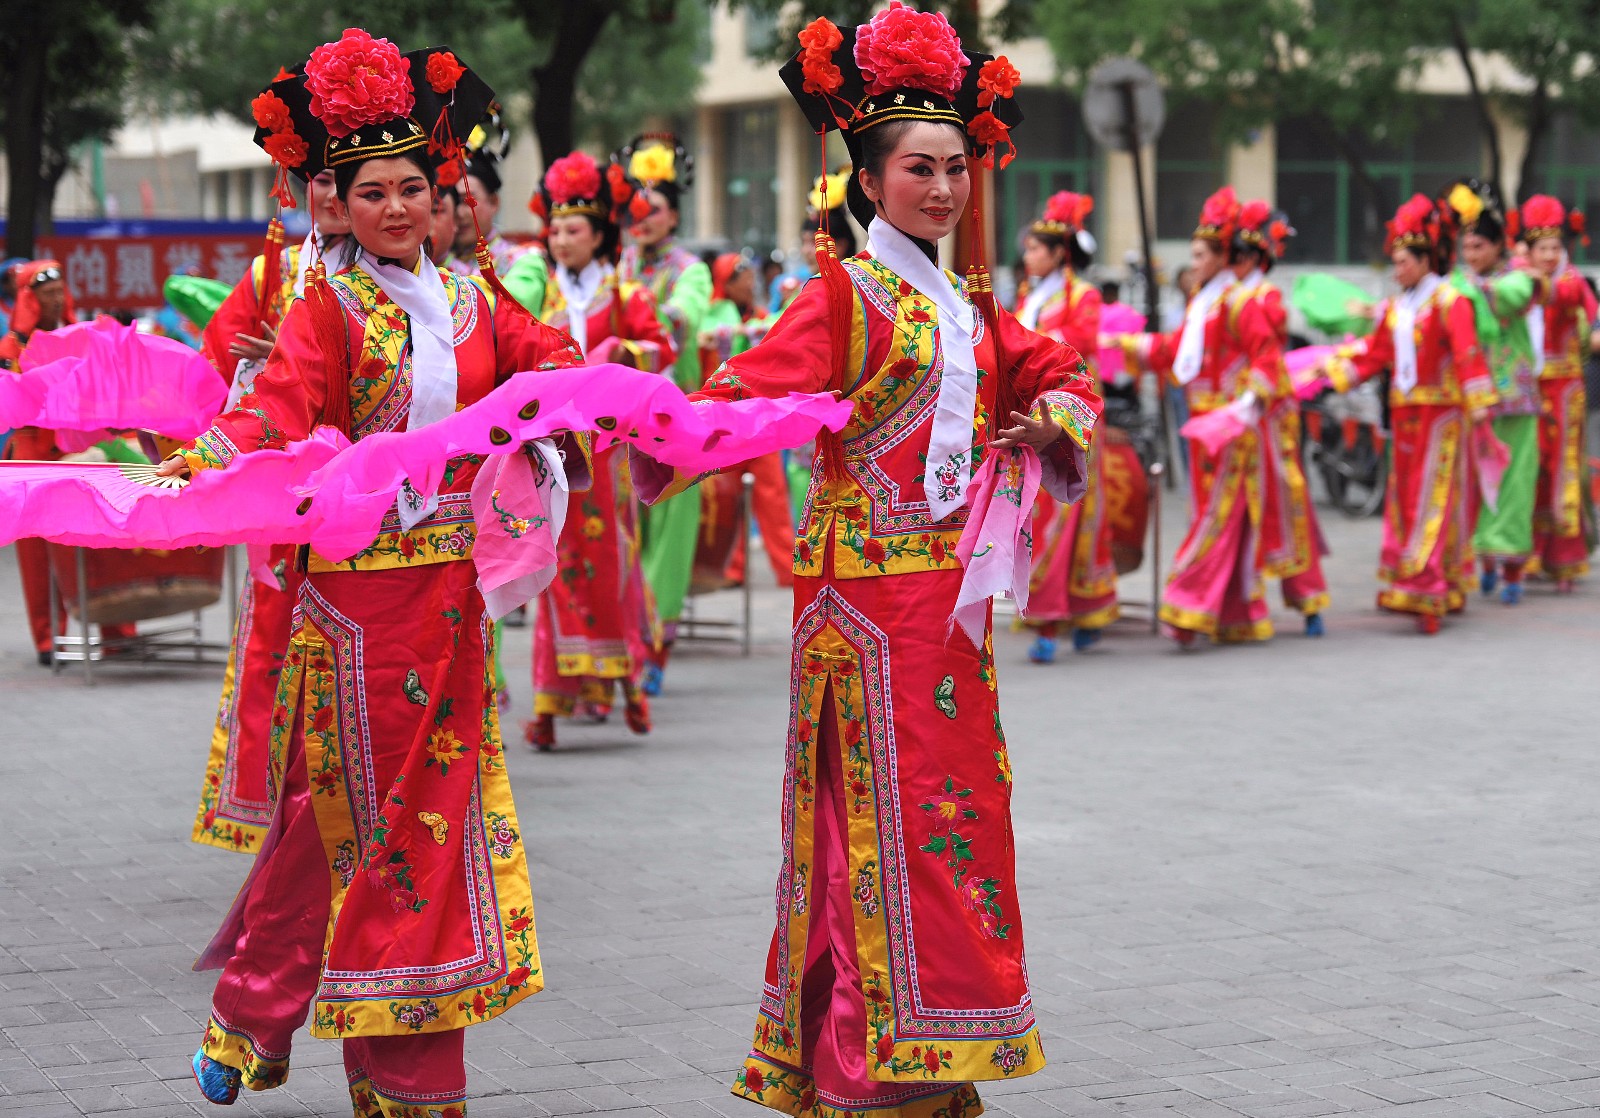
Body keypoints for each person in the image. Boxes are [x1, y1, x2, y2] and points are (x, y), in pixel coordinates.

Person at [631, 7, 1101, 1114]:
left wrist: (1051, 424)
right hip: (860, 620)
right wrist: (633, 427)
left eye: (955, 168)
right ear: (870, 178)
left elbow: (1063, 372)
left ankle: (934, 1061)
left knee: (955, 827)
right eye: (917, 169)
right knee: (868, 837)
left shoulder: (971, 306)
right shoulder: (843, 295)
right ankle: (864, 1069)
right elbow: (741, 397)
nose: (941, 189)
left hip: (949, 616)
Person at [155, 35, 584, 1115]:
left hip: (446, 610)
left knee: (429, 847)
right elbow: (273, 407)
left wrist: (595, 407)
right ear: (336, 203)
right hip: (347, 616)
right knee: (326, 833)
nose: (399, 207)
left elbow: (558, 370)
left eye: (413, 187)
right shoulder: (330, 310)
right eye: (374, 192)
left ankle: (406, 1073)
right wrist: (207, 460)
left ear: (440, 193)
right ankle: (256, 1005)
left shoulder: (483, 308)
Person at [191, 165, 354, 853]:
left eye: (349, 180)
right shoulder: (276, 273)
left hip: (364, 506)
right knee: (273, 651)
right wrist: (261, 370)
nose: (332, 196)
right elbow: (212, 366)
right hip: (285, 502)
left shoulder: (419, 280)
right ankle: (274, 822)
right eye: (319, 178)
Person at [525, 150, 670, 751]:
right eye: (554, 229)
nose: (561, 240)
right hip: (553, 448)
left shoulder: (625, 292)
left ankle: (622, 682)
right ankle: (550, 701)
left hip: (606, 454)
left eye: (574, 229)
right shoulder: (535, 293)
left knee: (611, 566)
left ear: (599, 233)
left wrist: (620, 352)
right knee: (550, 566)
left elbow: (659, 351)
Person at [1115, 187, 1289, 646]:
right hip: (1199, 423)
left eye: (1200, 254)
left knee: (1216, 516)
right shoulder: (1204, 302)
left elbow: (1267, 357)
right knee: (1218, 514)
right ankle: (1237, 612)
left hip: (1230, 428)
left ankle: (1189, 603)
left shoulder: (1239, 302)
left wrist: (1247, 403)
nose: (1193, 262)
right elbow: (1177, 351)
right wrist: (1132, 345)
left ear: (1221, 256)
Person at [1319, 194, 1495, 633]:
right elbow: (1375, 356)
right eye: (1395, 262)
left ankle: (1428, 588)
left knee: (1431, 499)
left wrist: (1478, 404)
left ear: (1425, 260)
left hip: (1441, 415)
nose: (1397, 271)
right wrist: (1332, 374)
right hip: (1404, 415)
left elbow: (1467, 352)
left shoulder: (1450, 301)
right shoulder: (1398, 309)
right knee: (1404, 500)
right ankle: (1427, 581)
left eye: (1403, 262)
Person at [0, 261, 140, 662]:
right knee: (37, 553)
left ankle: (118, 630)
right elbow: (11, 397)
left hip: (83, 446)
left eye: (61, 290)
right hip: (33, 455)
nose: (58, 298)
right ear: (28, 299)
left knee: (103, 536)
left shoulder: (80, 337)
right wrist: (24, 336)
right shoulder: (11, 346)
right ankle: (49, 639)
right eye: (47, 293)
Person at [616, 132, 712, 693]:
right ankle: (621, 642)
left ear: (673, 215)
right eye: (635, 209)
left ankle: (654, 644)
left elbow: (681, 318)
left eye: (653, 210)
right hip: (617, 419)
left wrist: (628, 313)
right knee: (623, 532)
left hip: (675, 420)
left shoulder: (689, 269)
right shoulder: (619, 263)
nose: (642, 219)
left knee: (669, 540)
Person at [1014, 190, 1118, 659]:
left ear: (1058, 252)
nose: (1028, 255)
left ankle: (1051, 622)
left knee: (1068, 512)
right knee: (1045, 511)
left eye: (1036, 248)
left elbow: (1081, 344)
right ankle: (1081, 609)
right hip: (1035, 409)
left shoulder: (1083, 295)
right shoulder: (1027, 294)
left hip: (1071, 412)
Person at [1230, 200, 1331, 634]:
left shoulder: (1262, 298)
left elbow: (1267, 359)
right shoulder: (1226, 296)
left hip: (1265, 417)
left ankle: (1308, 599)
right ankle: (1243, 602)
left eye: (1233, 257)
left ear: (1253, 258)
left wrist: (1252, 395)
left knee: (1286, 502)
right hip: (1235, 416)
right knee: (1239, 514)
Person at [1442, 179, 1544, 605]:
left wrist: (1464, 287)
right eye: (1466, 248)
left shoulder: (1514, 280)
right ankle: (1482, 561)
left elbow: (1511, 296)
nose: (1471, 256)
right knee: (1476, 481)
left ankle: (1514, 570)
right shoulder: (1460, 283)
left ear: (1499, 247)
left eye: (1479, 248)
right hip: (1473, 398)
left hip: (1515, 397)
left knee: (1515, 482)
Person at [1514, 195, 1597, 590]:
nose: (1550, 255)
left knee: (1562, 469)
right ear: (1528, 250)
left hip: (1565, 389)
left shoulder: (1570, 281)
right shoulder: (1518, 280)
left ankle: (1564, 558)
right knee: (1530, 468)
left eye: (1554, 247)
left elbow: (1569, 300)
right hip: (1528, 384)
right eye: (1541, 248)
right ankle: (1528, 551)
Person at [700, 252, 796, 588]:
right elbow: (706, 342)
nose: (751, 281)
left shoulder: (761, 317)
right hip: (723, 424)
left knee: (772, 494)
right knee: (726, 499)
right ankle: (732, 569)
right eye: (743, 276)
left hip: (758, 420)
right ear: (727, 283)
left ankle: (788, 569)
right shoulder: (712, 317)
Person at [446, 135, 550, 313]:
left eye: (467, 201)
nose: (458, 213)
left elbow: (513, 311)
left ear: (494, 202)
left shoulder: (524, 260)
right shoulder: (429, 262)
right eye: (451, 204)